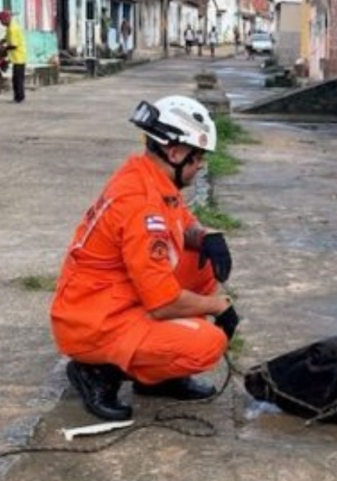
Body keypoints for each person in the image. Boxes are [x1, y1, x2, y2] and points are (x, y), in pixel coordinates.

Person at [51, 96, 238, 420]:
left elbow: (180, 222)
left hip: (107, 298)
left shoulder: (148, 176)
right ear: (176, 152)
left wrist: (205, 236)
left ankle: (157, 376)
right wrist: (219, 306)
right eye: (198, 158)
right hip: (94, 321)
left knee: (200, 261)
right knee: (207, 343)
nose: (201, 165)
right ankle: (96, 371)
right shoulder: (141, 204)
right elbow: (164, 304)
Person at [0, 10, 26, 104]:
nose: (1, 23)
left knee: (17, 79)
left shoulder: (13, 28)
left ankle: (19, 98)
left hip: (19, 57)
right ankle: (19, 97)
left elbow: (13, 45)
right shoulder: (10, 27)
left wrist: (3, 49)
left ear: (6, 19)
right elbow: (6, 38)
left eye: (1, 21)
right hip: (16, 57)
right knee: (16, 78)